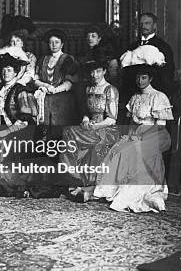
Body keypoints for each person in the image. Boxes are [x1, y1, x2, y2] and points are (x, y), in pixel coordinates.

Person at [93, 58, 173, 213]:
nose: (140, 81)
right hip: (138, 134)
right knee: (118, 148)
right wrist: (130, 136)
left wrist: (140, 137)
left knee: (133, 151)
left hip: (157, 135)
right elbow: (132, 124)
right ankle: (108, 191)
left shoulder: (158, 97)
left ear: (151, 78)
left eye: (144, 77)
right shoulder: (135, 97)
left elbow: (160, 126)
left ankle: (135, 193)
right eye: (138, 77)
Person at [0, 51, 64, 198]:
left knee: (3, 146)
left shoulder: (21, 91)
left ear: (15, 73)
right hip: (2, 131)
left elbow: (26, 120)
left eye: (9, 70)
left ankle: (14, 184)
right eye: (3, 70)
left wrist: (5, 133)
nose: (5, 73)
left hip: (23, 132)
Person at [59, 48, 121, 203]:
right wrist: (86, 120)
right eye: (92, 72)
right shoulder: (89, 88)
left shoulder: (110, 90)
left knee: (77, 136)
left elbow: (112, 119)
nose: (95, 75)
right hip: (91, 125)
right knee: (68, 131)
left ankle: (85, 183)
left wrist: (94, 126)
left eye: (98, 71)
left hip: (106, 129)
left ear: (104, 71)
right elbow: (87, 112)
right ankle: (73, 179)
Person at [120, 12, 175, 119]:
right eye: (141, 24)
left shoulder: (163, 47)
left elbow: (168, 74)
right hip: (134, 95)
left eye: (147, 23)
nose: (143, 26)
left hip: (155, 95)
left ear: (154, 25)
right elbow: (126, 75)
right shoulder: (132, 46)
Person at [33, 28, 79, 139]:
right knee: (43, 131)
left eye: (57, 42)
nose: (53, 45)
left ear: (62, 44)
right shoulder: (42, 59)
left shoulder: (68, 59)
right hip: (44, 97)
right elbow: (35, 79)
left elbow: (70, 82)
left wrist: (56, 89)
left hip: (62, 99)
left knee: (59, 131)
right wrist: (46, 86)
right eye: (51, 42)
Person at [0, 14, 38, 86]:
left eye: (17, 41)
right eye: (12, 41)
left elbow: (29, 75)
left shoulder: (29, 56)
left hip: (20, 86)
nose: (14, 43)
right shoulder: (2, 54)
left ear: (22, 43)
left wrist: (15, 84)